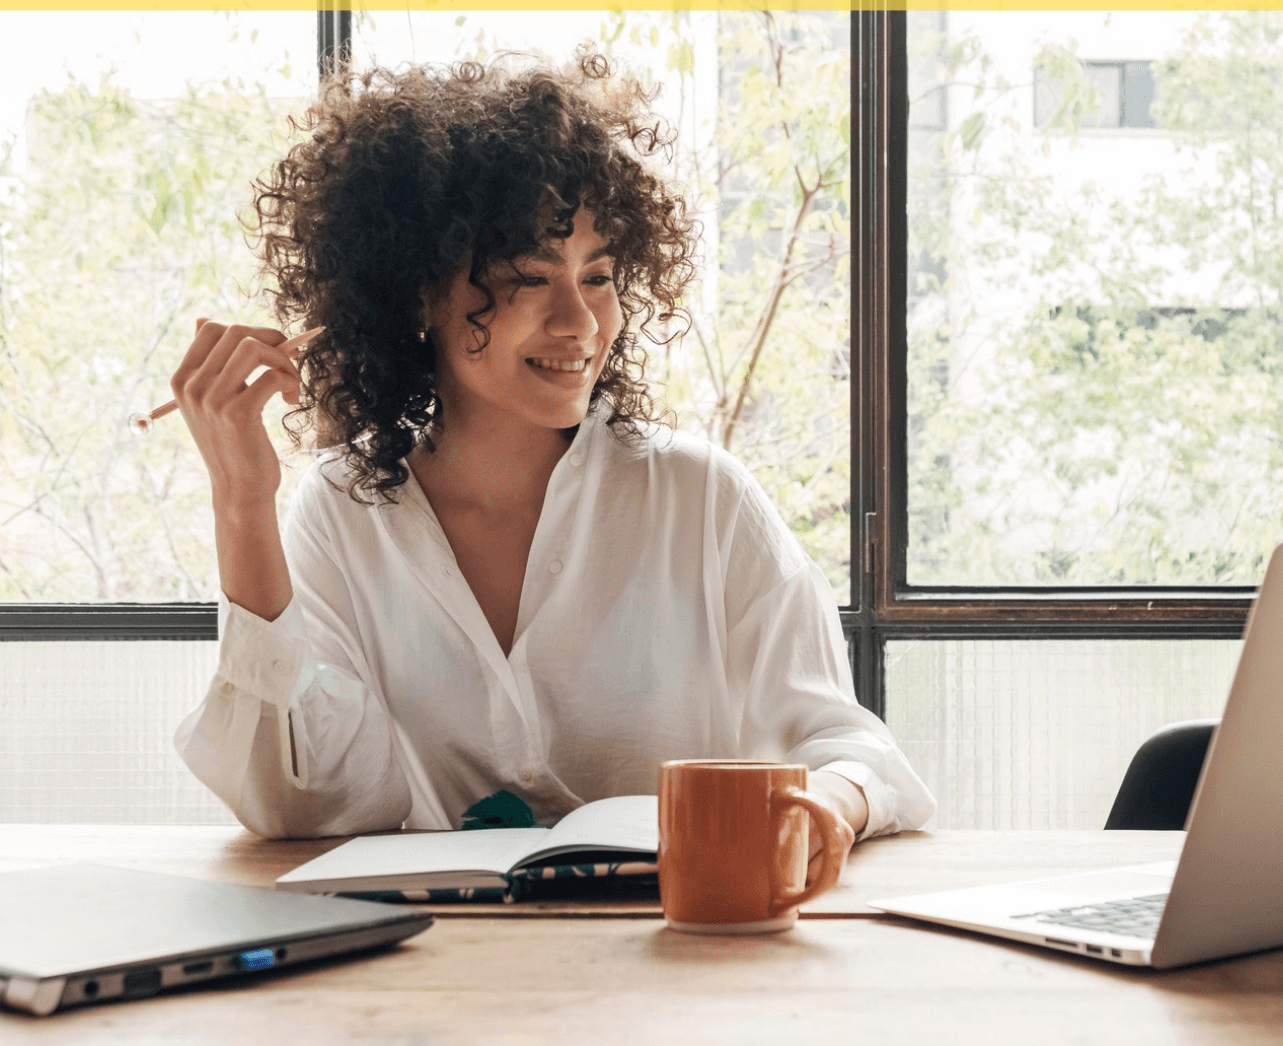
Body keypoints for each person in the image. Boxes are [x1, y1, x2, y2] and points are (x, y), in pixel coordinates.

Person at [172, 51, 934, 887]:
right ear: (416, 295)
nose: (579, 322)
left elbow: (853, 748)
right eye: (527, 279)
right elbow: (302, 805)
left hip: (681, 969)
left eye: (599, 276)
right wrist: (242, 503)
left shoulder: (699, 499)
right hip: (434, 978)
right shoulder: (341, 508)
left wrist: (828, 805)